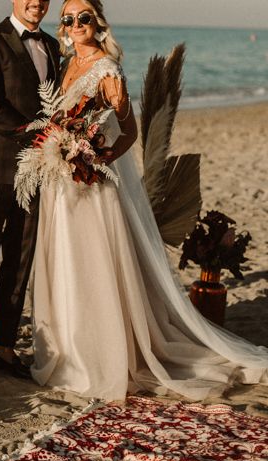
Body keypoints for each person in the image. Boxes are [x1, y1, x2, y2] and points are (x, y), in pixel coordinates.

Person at [28, 0, 268, 401]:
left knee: (93, 265)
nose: (75, 24)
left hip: (92, 186)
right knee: (66, 263)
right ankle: (68, 352)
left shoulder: (107, 69)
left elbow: (128, 131)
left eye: (83, 17)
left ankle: (100, 356)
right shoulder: (67, 66)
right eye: (68, 19)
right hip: (60, 184)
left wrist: (97, 156)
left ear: (98, 23)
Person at [0, 0, 61, 387]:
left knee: (20, 260)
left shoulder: (53, 46)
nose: (36, 1)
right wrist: (43, 134)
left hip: (39, 168)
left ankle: (5, 346)